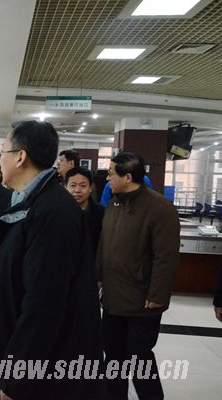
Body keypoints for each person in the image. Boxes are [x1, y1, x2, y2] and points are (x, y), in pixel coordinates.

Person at [0, 121, 104, 400]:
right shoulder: (30, 203)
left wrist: (16, 378)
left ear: (20, 157)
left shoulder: (53, 213)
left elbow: (44, 304)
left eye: (3, 152)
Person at [97, 152, 180, 400]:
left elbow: (166, 257)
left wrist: (157, 296)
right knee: (113, 358)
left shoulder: (160, 208)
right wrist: (98, 277)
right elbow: (104, 245)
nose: (107, 178)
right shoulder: (114, 204)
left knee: (140, 359)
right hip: (113, 298)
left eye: (111, 173)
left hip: (142, 301)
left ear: (128, 177)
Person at [65, 167, 104, 255]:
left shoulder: (101, 214)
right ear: (65, 187)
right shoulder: (58, 213)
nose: (77, 190)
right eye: (73, 185)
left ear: (90, 187)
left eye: (83, 186)